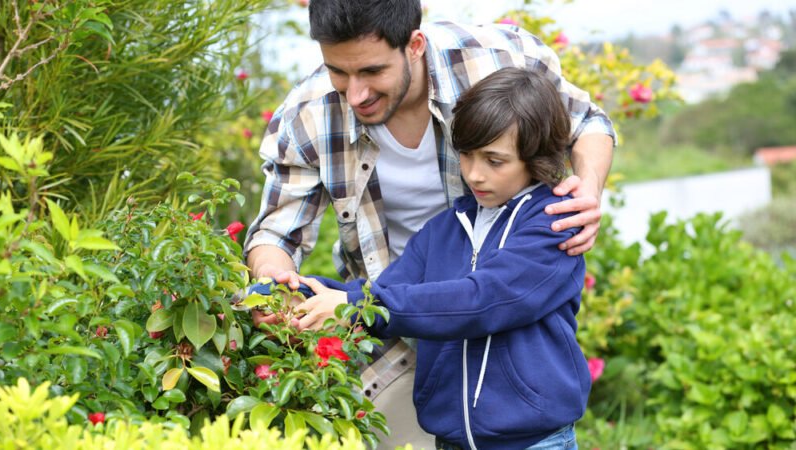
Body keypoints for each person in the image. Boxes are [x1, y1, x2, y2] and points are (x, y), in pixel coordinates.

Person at [243, 0, 614, 447]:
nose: (355, 93)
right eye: (338, 72)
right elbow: (281, 235)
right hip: (410, 337)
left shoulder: (547, 223)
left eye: (372, 71)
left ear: (414, 45)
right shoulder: (442, 230)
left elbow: (481, 299)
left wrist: (588, 187)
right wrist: (290, 292)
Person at [293, 66, 590, 449]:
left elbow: (481, 300)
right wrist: (301, 293)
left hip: (535, 442)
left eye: (494, 160)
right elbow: (381, 296)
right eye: (466, 155)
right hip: (451, 442)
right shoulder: (445, 229)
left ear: (535, 157)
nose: (474, 175)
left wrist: (351, 303)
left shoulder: (555, 224)